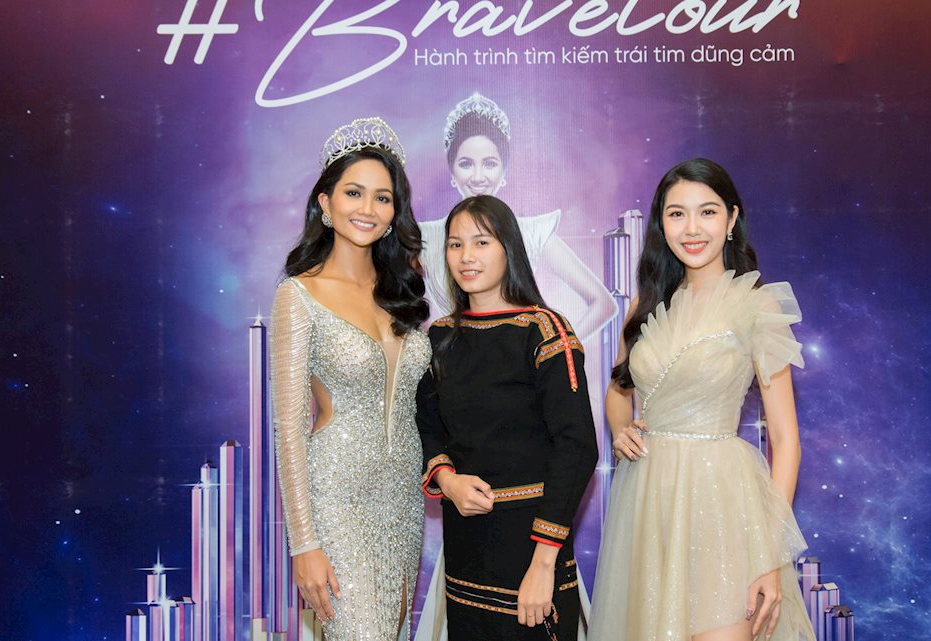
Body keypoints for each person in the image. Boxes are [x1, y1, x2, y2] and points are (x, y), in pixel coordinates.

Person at [588, 159, 815, 641]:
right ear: (661, 224)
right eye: (677, 214)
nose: (692, 228)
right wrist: (620, 427)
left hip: (722, 502)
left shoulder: (757, 305)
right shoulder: (645, 305)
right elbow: (617, 390)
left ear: (732, 219)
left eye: (707, 212)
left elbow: (785, 440)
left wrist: (770, 554)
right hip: (649, 501)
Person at [269, 117, 431, 641]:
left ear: (394, 213)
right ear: (326, 202)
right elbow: (289, 429)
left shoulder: (403, 291)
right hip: (336, 498)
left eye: (383, 198)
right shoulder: (299, 294)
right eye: (354, 193)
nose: (368, 208)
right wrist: (303, 543)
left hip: (403, 500)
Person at [416, 195, 599, 640]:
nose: (467, 256)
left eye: (481, 242)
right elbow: (427, 424)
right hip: (466, 554)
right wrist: (448, 481)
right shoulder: (440, 337)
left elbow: (577, 448)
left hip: (532, 555)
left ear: (509, 248)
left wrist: (543, 563)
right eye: (455, 244)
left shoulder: (545, 330)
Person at [418, 92, 618, 339]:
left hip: (517, 358)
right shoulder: (426, 237)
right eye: (466, 164)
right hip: (455, 360)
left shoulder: (532, 233)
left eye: (490, 164)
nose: (478, 176)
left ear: (504, 170)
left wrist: (553, 350)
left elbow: (602, 303)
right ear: (452, 170)